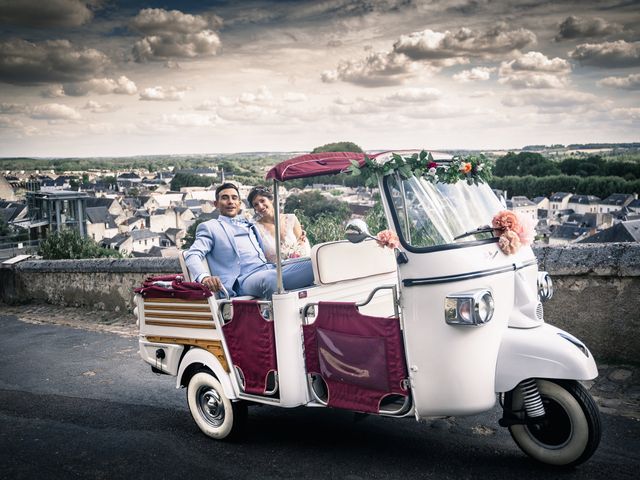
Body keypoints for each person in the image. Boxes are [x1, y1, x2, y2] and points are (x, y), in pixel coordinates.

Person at [184, 183, 314, 300]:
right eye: (225, 198)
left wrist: (297, 237)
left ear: (240, 203)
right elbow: (192, 254)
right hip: (242, 280)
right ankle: (280, 322)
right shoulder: (210, 227)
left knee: (315, 265)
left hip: (269, 269)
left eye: (234, 198)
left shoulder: (250, 224)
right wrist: (204, 277)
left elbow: (272, 226)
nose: (230, 202)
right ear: (216, 204)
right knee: (271, 279)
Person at [247, 186, 311, 263]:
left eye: (262, 201)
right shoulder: (255, 228)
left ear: (271, 199)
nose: (260, 206)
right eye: (256, 205)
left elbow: (302, 245)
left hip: (299, 265)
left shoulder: (291, 219)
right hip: (274, 271)